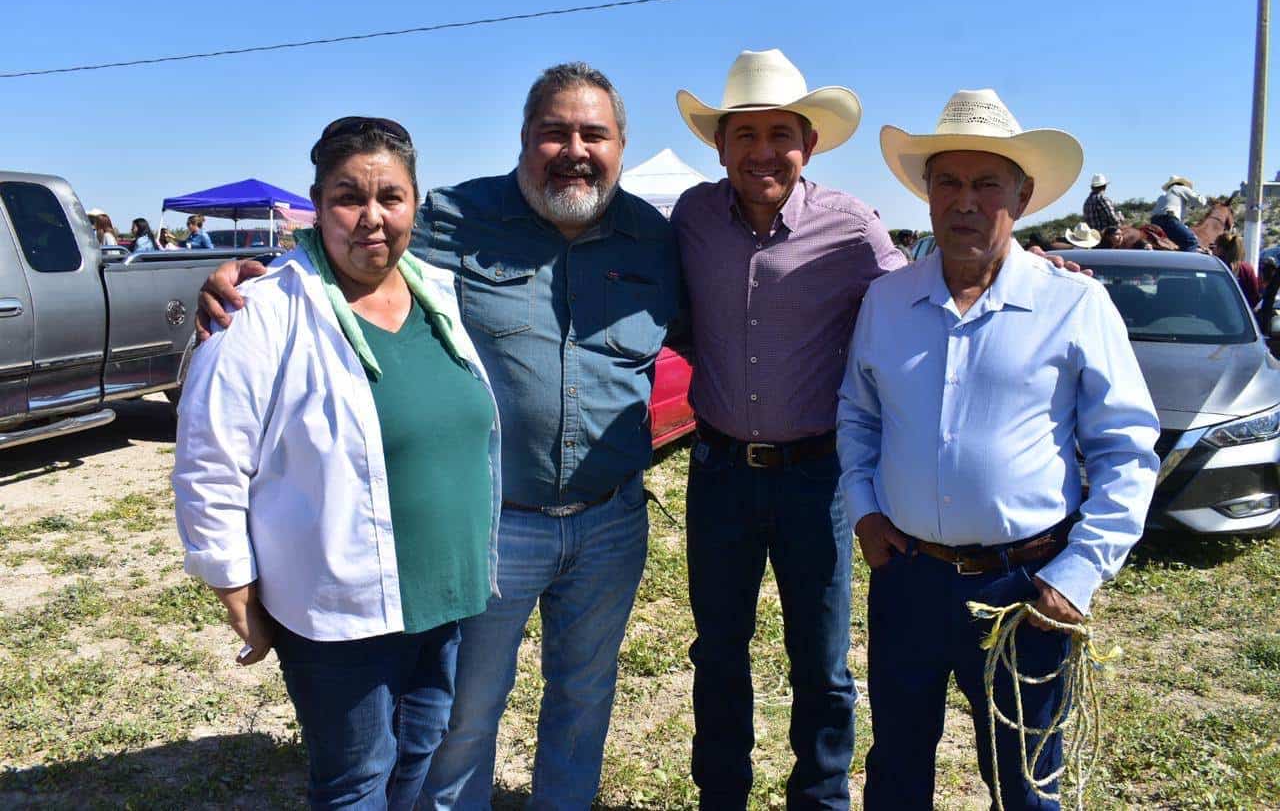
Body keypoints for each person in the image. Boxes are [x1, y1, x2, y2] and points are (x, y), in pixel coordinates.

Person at [197, 63, 682, 810]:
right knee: (463, 714)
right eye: (555, 131)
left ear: (622, 144)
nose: (575, 149)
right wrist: (238, 283)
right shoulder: (452, 217)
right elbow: (351, 248)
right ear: (525, 140)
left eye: (595, 133)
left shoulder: (655, 238)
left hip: (612, 520)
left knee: (585, 703)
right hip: (496, 527)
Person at [838, 88, 1160, 810]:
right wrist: (863, 512)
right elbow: (857, 416)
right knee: (895, 770)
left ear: (1024, 194)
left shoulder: (1074, 304)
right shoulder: (887, 302)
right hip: (909, 580)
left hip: (1025, 587)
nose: (966, 201)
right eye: (948, 181)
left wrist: (1078, 574)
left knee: (1025, 780)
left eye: (988, 183)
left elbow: (1127, 450)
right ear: (926, 194)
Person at [173, 117, 502, 810]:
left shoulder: (438, 293)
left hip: (443, 589)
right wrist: (232, 580)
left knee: (420, 752)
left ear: (417, 204)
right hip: (339, 603)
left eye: (392, 197)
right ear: (317, 206)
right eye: (349, 197)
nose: (372, 217)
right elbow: (210, 454)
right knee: (355, 780)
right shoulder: (261, 311)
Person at [670, 48, 905, 808]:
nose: (763, 151)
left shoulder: (851, 226)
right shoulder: (692, 217)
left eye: (780, 134)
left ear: (808, 143)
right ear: (720, 145)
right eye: (746, 134)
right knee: (718, 652)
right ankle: (722, 797)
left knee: (823, 659)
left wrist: (1021, 270)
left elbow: (915, 306)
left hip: (818, 475)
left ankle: (822, 797)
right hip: (719, 472)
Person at [1151, 175, 1207, 252]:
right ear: (1182, 183)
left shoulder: (1164, 195)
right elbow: (1200, 202)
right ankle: (1186, 263)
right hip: (1168, 220)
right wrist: (1206, 199)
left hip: (1154, 222)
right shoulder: (1180, 188)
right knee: (1191, 241)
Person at [1212, 230, 1261, 309]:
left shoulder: (1214, 267)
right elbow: (1254, 298)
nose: (1213, 249)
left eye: (1215, 246)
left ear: (1220, 249)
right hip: (1241, 316)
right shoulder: (1247, 269)